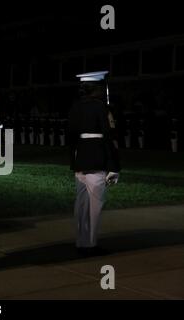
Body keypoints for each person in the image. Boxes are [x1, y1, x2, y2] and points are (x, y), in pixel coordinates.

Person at [68, 71, 121, 256]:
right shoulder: (101, 108)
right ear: (97, 89)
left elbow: (71, 136)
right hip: (97, 159)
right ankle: (90, 245)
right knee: (94, 206)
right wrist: (113, 166)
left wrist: (75, 158)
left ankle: (81, 241)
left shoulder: (76, 107)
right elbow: (109, 138)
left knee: (81, 205)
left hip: (80, 159)